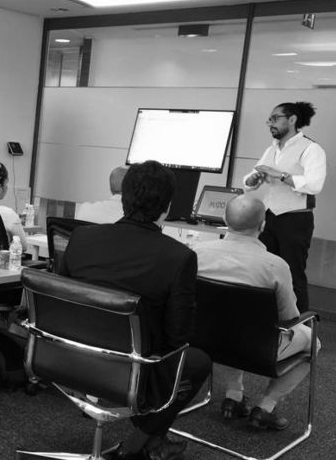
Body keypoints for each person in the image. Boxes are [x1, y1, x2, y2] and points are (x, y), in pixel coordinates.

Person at [61, 160, 211, 460]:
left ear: (124, 199)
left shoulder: (81, 238)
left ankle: (151, 442)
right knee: (196, 362)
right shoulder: (178, 256)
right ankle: (135, 447)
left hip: (66, 356)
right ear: (167, 207)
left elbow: (63, 300)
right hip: (129, 364)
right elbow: (177, 337)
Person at [196, 194, 319, 430]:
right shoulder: (275, 265)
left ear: (225, 220)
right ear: (263, 225)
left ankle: (234, 396)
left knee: (229, 322)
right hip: (259, 348)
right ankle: (265, 407)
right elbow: (290, 319)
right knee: (313, 341)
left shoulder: (197, 252)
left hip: (204, 340)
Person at [243, 101, 326, 312]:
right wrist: (252, 180)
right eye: (269, 120)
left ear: (292, 119)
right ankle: (265, 319)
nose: (270, 124)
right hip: (269, 217)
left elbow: (314, 185)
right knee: (264, 270)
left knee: (292, 273)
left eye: (275, 118)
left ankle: (299, 324)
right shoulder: (271, 148)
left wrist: (280, 175)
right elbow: (250, 179)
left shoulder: (311, 149)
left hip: (296, 220)